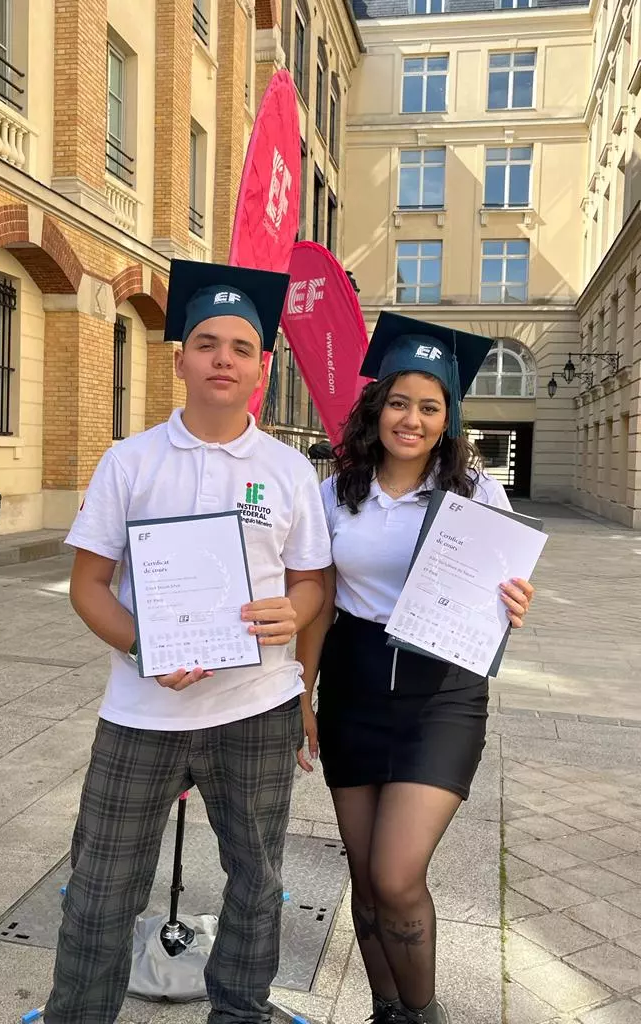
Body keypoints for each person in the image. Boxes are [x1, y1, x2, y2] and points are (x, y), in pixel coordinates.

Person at [44, 259, 332, 1024]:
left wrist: (294, 615)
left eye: (241, 347)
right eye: (207, 343)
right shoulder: (129, 462)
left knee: (258, 881)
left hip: (257, 707)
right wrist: (148, 648)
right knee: (102, 887)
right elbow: (88, 586)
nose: (223, 360)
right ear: (180, 359)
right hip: (143, 711)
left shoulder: (288, 471)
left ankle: (240, 1013)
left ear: (260, 367)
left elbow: (313, 582)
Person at [295, 312, 535, 1024]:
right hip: (355, 681)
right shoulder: (338, 494)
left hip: (442, 693)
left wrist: (515, 602)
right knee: (365, 882)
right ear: (377, 406)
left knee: (397, 876)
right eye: (400, 401)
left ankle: (424, 1014)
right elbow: (320, 599)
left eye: (430, 406)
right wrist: (302, 694)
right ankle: (386, 1012)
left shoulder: (474, 492)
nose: (412, 418)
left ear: (448, 418)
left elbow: (502, 581)